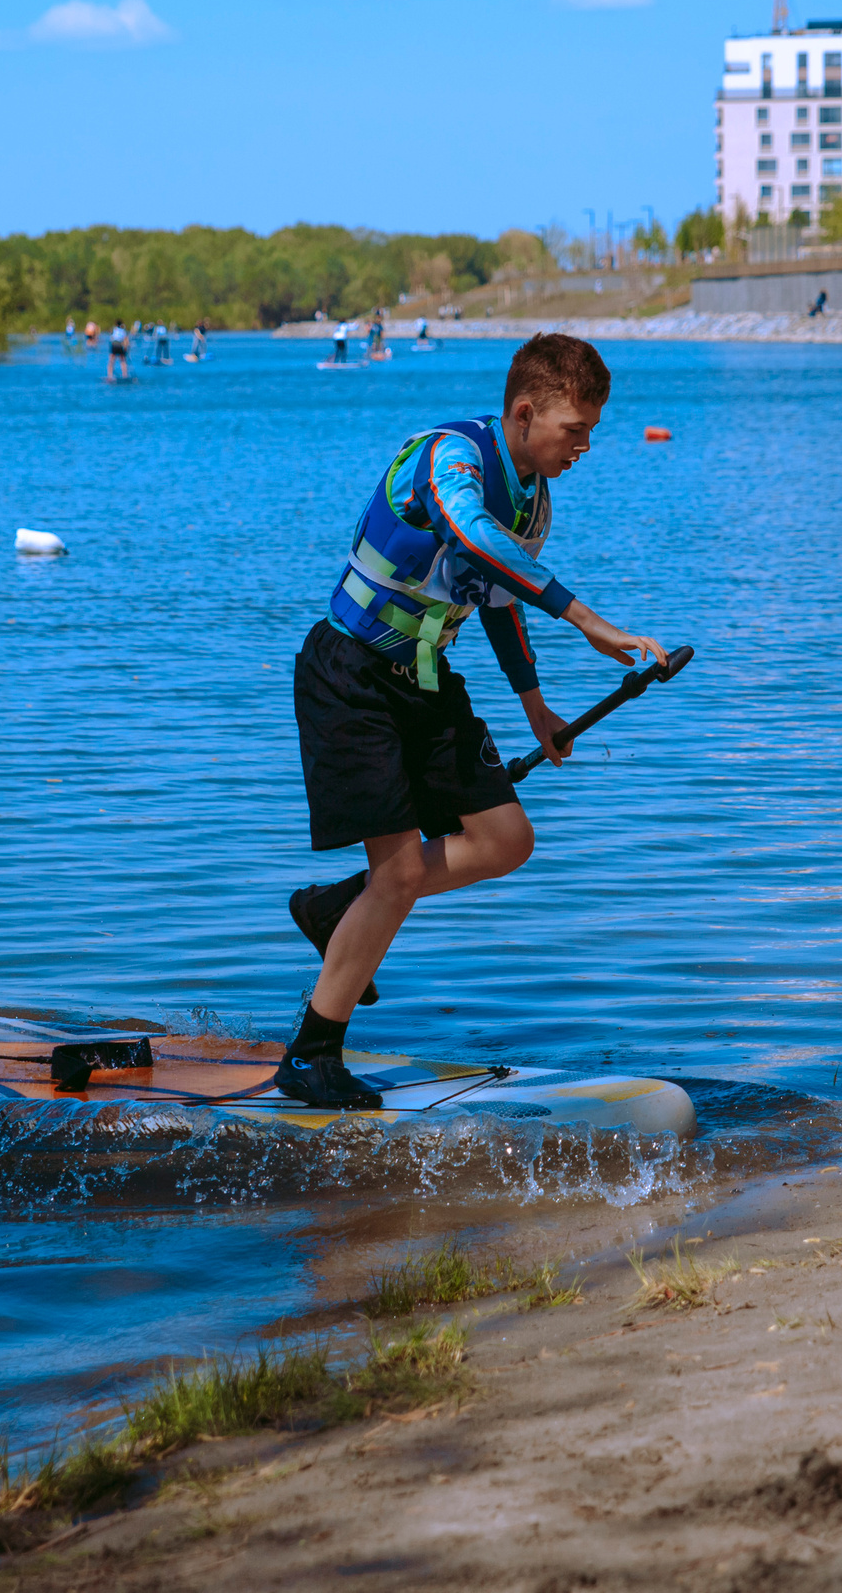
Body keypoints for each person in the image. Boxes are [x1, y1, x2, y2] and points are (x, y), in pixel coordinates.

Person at [279, 334, 665, 1108]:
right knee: (398, 876)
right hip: (349, 678)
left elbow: (495, 598)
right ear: (525, 413)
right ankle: (311, 1053)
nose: (583, 447)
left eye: (591, 432)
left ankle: (337, 906)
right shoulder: (448, 458)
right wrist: (586, 620)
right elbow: (470, 539)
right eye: (574, 430)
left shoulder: (533, 500)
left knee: (505, 841)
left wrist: (537, 710)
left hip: (424, 683)